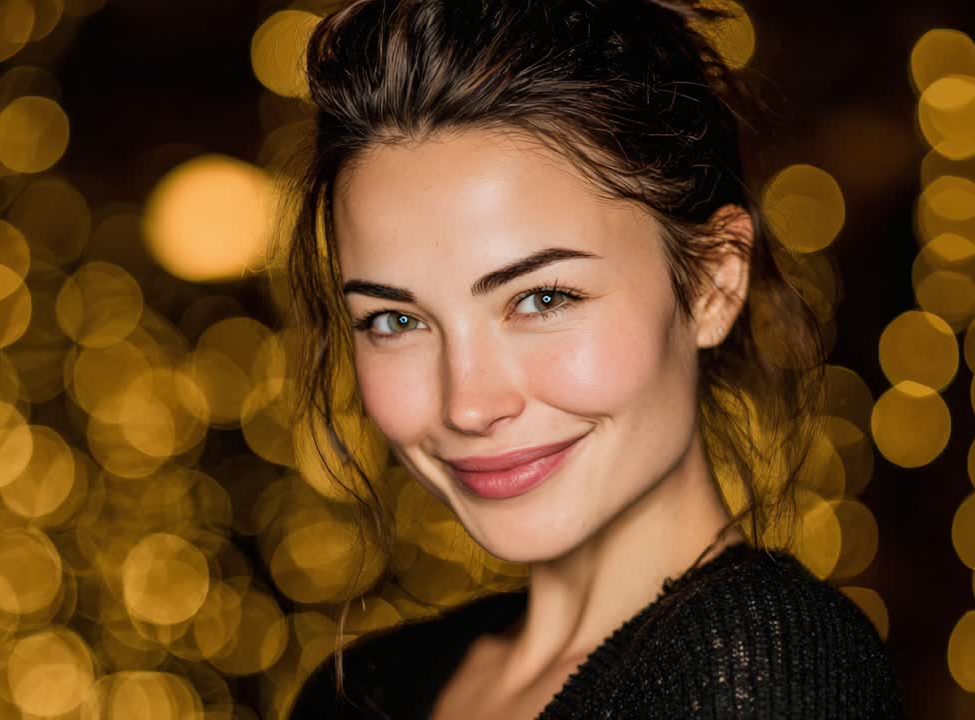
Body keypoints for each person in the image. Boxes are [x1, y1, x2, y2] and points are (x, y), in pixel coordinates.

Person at [275, 0, 904, 717]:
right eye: (396, 319)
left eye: (542, 300)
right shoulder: (361, 691)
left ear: (713, 282)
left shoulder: (766, 671)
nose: (468, 404)